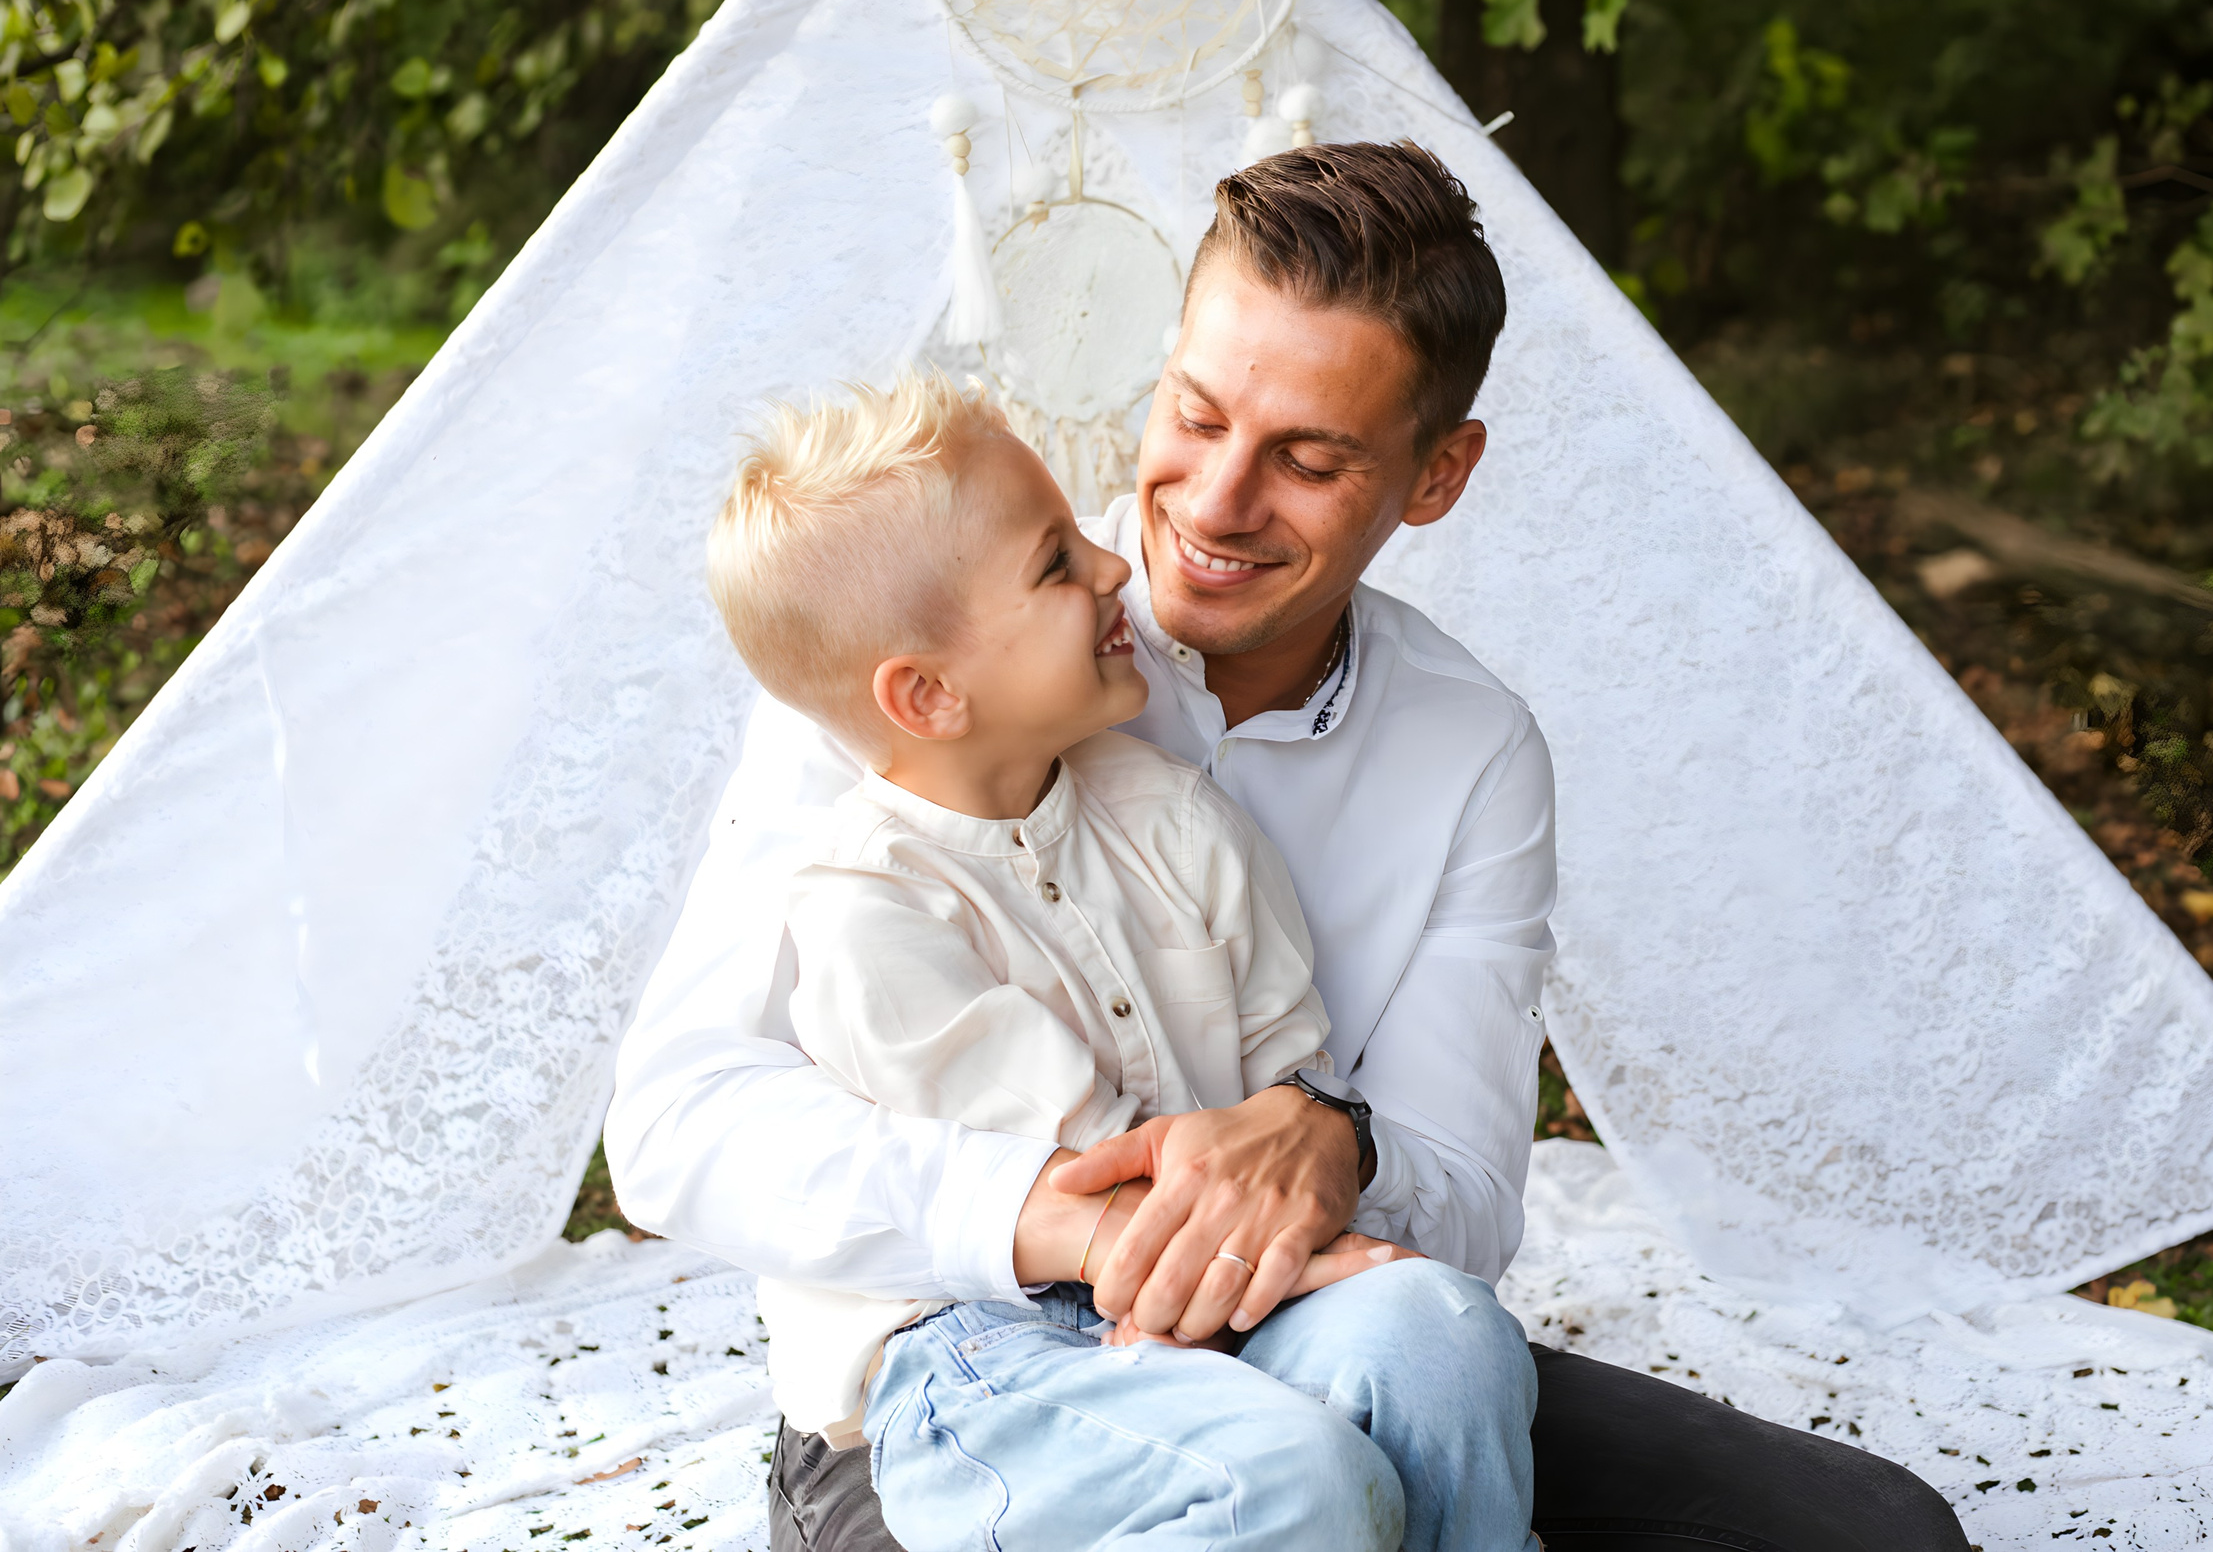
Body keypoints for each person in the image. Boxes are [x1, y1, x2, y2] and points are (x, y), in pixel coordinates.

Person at [606, 140, 1969, 1550]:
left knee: (1879, 1537)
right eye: (1193, 417)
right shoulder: (927, 625)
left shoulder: (1472, 752)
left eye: (1309, 462)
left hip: (1299, 1318)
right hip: (965, 1382)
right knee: (1280, 1492)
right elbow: (678, 1120)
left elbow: (1464, 1192)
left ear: (1435, 475)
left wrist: (1332, 1138)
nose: (1208, 507)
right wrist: (1062, 1219)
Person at [697, 369, 1538, 1550]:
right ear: (929, 694)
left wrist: (1304, 1196)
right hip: (987, 1350)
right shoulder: (863, 901)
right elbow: (1086, 1172)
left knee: (1445, 1331)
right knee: (1286, 1482)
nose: (1111, 569)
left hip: (1217, 1292)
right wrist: (1285, 1254)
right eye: (1055, 562)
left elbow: (1290, 1087)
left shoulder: (1178, 820)